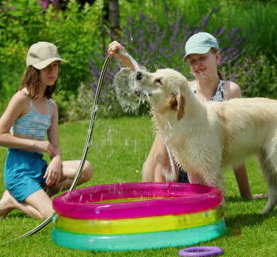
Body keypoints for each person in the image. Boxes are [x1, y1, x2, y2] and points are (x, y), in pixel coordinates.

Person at [108, 32, 265, 200]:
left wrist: (246, 195)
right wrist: (124, 56)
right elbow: (146, 79)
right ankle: (159, 200)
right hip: (175, 168)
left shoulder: (229, 90)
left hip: (203, 168)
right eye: (192, 61)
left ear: (217, 57)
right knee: (164, 131)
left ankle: (162, 199)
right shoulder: (184, 90)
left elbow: (235, 143)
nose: (197, 64)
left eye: (202, 58)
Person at [0, 41, 93, 219]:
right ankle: (12, 200)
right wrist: (37, 144)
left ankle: (40, 195)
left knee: (85, 168)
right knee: (55, 217)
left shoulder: (51, 106)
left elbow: (55, 145)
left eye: (55, 66)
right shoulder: (21, 99)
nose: (52, 71)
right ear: (34, 70)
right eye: (46, 66)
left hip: (40, 169)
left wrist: (56, 160)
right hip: (20, 173)